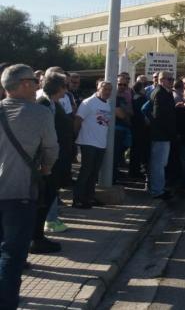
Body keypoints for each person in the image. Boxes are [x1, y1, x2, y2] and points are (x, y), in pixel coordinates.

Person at [0, 64, 58, 310]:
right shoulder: (40, 114)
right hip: (20, 192)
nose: (37, 86)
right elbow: (52, 149)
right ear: (23, 84)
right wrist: (45, 168)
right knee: (12, 255)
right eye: (34, 82)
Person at [36, 73, 73, 238]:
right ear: (58, 88)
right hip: (47, 157)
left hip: (55, 154)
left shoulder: (52, 103)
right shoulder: (43, 103)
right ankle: (47, 224)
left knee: (51, 190)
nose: (67, 89)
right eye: (65, 86)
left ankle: (50, 220)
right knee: (46, 191)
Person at [73, 80, 112, 209]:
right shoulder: (88, 102)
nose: (107, 92)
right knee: (86, 171)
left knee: (94, 173)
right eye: (105, 89)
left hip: (100, 143)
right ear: (98, 88)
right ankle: (77, 199)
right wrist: (74, 136)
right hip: (88, 142)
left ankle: (89, 197)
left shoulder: (107, 104)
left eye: (109, 90)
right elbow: (78, 119)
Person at [148, 71, 176, 199]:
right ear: (161, 80)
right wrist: (169, 131)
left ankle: (158, 188)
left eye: (172, 79)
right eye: (169, 79)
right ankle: (157, 190)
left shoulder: (165, 92)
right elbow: (158, 115)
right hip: (161, 134)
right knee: (158, 164)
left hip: (163, 134)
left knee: (160, 163)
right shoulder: (160, 93)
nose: (172, 81)